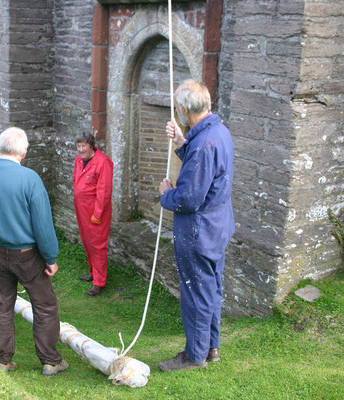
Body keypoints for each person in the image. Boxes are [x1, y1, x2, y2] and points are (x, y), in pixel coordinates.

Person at [0, 127, 68, 376]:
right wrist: (50, 257)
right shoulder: (30, 178)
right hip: (27, 255)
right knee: (44, 306)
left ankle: (2, 360)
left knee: (2, 304)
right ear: (24, 152)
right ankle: (50, 361)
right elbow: (42, 225)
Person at [157, 80, 235, 371]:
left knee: (197, 293)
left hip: (199, 232)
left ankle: (195, 355)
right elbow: (206, 170)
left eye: (178, 108)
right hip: (217, 227)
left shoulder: (203, 144)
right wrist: (181, 142)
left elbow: (189, 198)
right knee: (211, 289)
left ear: (185, 109)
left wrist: (166, 195)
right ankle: (210, 347)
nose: (177, 111)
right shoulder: (218, 132)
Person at [73, 132, 114, 297]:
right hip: (81, 208)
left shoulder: (103, 162)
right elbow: (77, 177)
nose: (81, 150)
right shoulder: (79, 159)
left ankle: (99, 282)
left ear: (91, 145)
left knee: (97, 245)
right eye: (78, 146)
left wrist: (97, 213)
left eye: (84, 146)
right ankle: (92, 272)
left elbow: (104, 191)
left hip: (95, 210)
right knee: (86, 241)